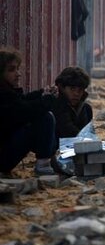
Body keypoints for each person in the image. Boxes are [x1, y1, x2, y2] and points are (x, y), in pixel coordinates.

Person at [0, 47, 58, 177]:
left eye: (17, 68)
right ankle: (43, 164)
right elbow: (23, 110)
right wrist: (45, 101)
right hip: (3, 158)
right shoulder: (2, 94)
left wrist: (42, 93)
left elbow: (22, 101)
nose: (18, 73)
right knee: (46, 118)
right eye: (11, 70)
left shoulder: (7, 91)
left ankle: (49, 161)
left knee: (45, 116)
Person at [50, 66, 93, 141]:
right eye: (72, 89)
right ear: (62, 88)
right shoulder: (55, 103)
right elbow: (67, 130)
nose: (76, 94)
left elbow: (86, 132)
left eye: (80, 90)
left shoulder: (85, 108)